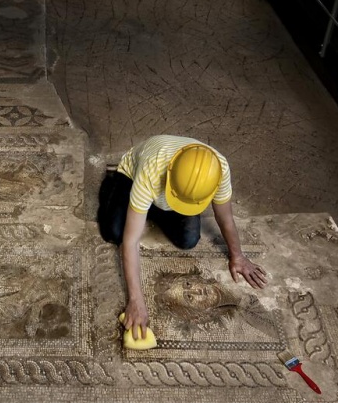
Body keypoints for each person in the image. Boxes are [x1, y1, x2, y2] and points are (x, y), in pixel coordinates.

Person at [97, 135, 267, 340]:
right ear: (170, 176)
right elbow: (130, 241)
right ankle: (113, 183)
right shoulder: (152, 169)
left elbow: (225, 218)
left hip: (170, 190)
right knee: (113, 233)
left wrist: (237, 256)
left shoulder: (218, 170)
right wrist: (136, 300)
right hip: (131, 176)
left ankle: (146, 207)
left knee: (188, 240)